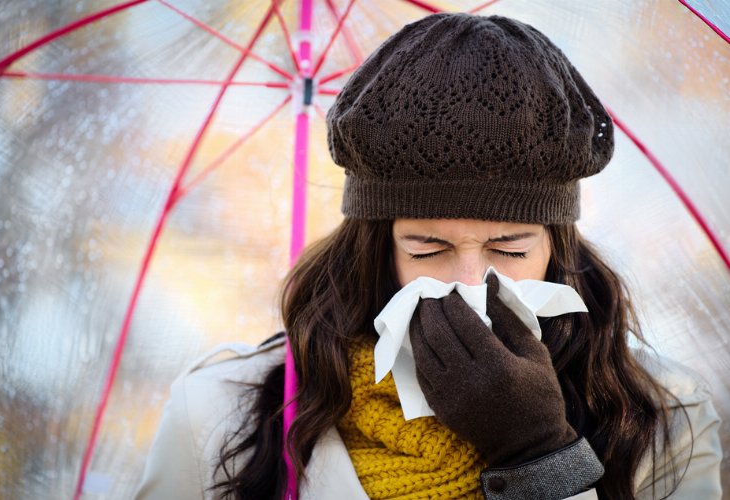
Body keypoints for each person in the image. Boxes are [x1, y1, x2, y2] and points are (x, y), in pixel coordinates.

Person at [134, 13, 722, 500]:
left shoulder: (665, 420)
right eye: (428, 247)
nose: (469, 283)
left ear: (557, 248)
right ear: (374, 250)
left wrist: (541, 455)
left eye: (510, 249)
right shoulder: (219, 413)